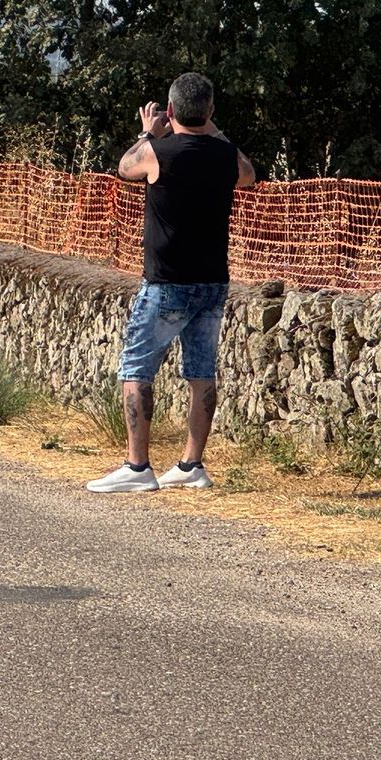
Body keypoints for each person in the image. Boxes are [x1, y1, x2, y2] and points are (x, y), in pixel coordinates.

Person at [87, 72, 256, 494]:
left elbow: (125, 167)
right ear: (211, 111)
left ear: (172, 110)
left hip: (166, 283)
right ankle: (190, 464)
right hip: (213, 282)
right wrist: (210, 127)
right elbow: (249, 174)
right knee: (202, 372)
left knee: (137, 370)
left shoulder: (157, 152)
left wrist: (147, 132)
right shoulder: (225, 155)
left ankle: (137, 466)